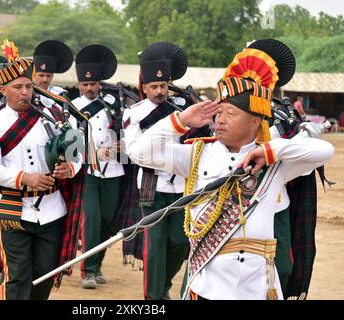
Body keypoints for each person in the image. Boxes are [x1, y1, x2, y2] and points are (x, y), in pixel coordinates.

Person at [128, 39, 334, 300]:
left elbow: (324, 151)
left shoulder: (274, 164)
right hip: (210, 287)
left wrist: (271, 150)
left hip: (257, 288)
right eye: (219, 112)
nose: (220, 120)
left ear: (254, 122)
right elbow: (138, 152)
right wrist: (179, 121)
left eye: (230, 114)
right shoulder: (197, 154)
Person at [0, 39, 84, 300]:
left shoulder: (56, 113)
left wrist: (70, 168)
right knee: (17, 277)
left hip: (51, 210)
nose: (25, 92)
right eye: (18, 87)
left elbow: (77, 151)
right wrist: (25, 178)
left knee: (45, 276)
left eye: (28, 85)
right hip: (13, 210)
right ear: (3, 89)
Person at [122, 42, 190, 300]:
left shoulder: (182, 109)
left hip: (180, 186)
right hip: (152, 186)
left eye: (163, 86)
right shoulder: (134, 114)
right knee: (155, 246)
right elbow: (134, 152)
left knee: (180, 242)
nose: (160, 91)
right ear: (145, 87)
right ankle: (153, 297)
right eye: (154, 87)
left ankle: (162, 286)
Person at [72, 44, 124, 289]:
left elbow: (121, 130)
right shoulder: (71, 107)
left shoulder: (114, 104)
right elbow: (71, 148)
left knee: (107, 221)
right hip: (89, 172)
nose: (89, 87)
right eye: (85, 83)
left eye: (93, 84)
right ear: (80, 83)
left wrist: (120, 146)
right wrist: (95, 152)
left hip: (114, 170)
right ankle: (88, 271)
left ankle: (98, 264)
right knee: (91, 221)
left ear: (99, 83)